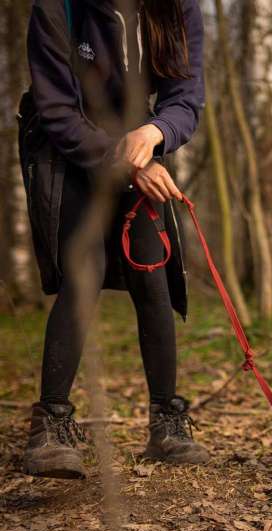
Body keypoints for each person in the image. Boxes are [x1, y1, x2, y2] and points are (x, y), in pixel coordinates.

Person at [18, 0, 208, 479]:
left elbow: (186, 99)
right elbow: (56, 110)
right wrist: (127, 161)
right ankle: (52, 424)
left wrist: (155, 132)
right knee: (85, 270)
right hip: (67, 150)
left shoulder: (179, 8)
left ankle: (167, 422)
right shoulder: (58, 9)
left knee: (152, 269)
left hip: (140, 142)